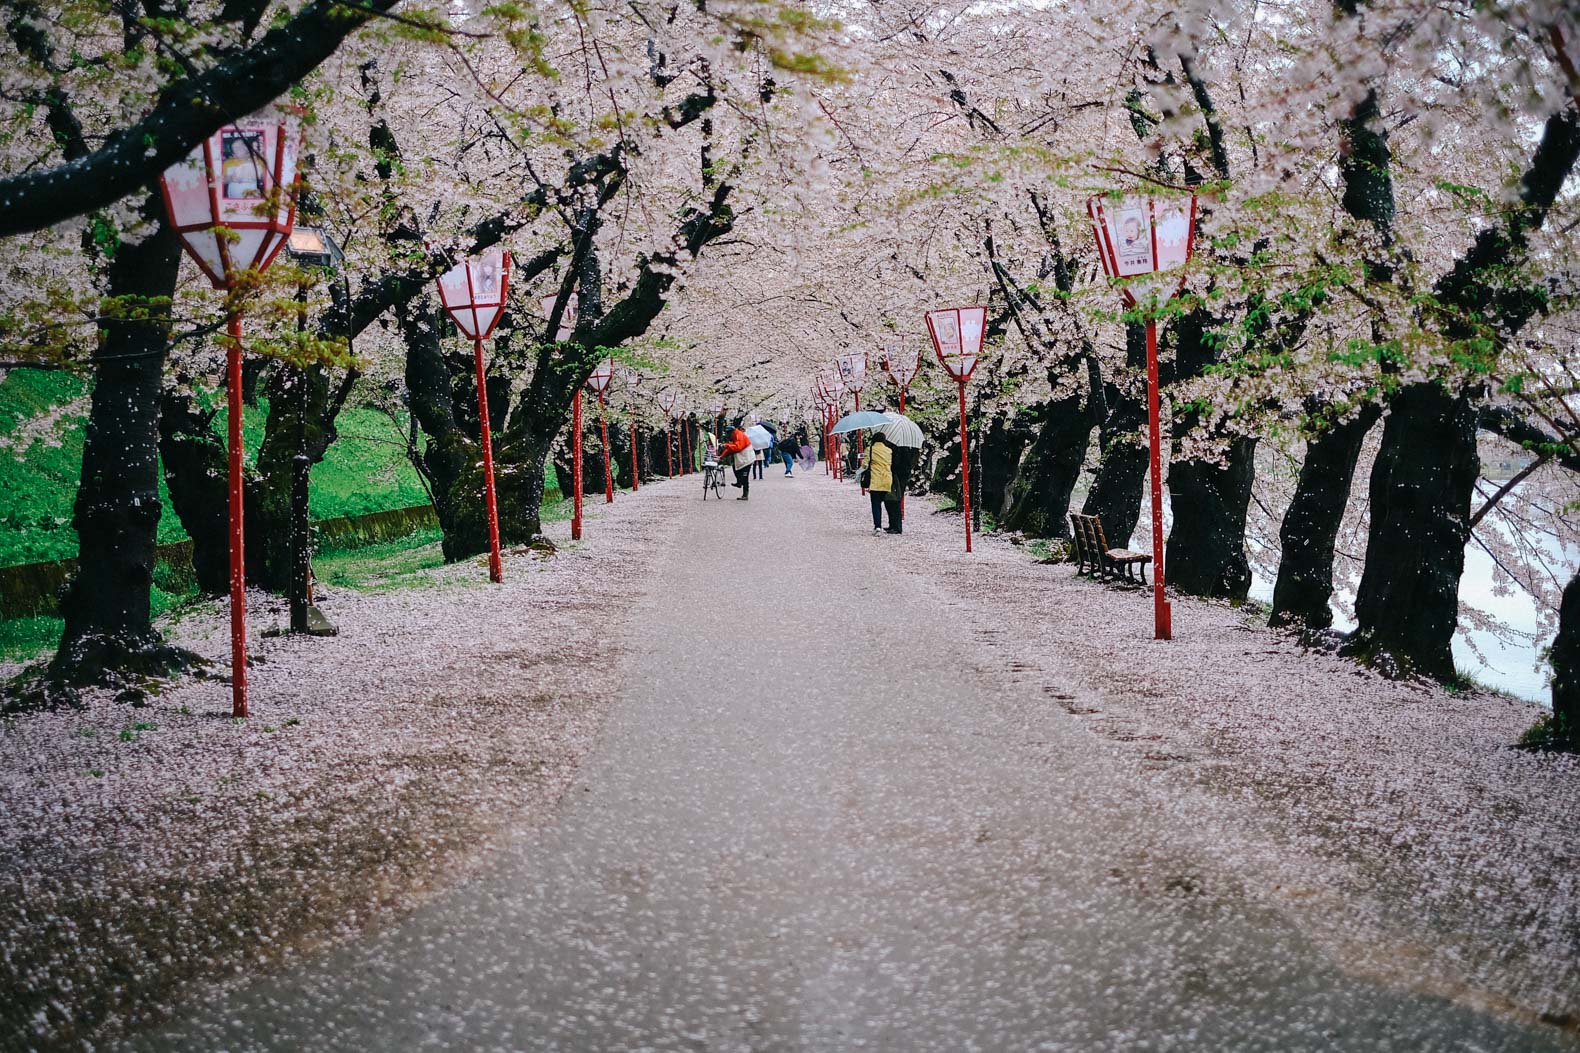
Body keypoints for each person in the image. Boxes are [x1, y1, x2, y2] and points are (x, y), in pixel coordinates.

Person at [862, 433, 895, 534]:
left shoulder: (870, 449)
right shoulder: (889, 450)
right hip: (887, 479)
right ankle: (893, 524)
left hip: (875, 480)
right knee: (888, 503)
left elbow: (864, 464)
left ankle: (878, 526)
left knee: (876, 505)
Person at [883, 433, 915, 534]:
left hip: (898, 476)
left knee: (894, 500)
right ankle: (893, 525)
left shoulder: (900, 449)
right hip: (901, 475)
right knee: (893, 499)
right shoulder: (906, 448)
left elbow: (896, 463)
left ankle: (896, 526)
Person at [717, 418, 755, 501]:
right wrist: (722, 456)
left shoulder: (739, 435)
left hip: (747, 458)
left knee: (745, 476)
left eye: (727, 434)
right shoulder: (735, 436)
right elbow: (730, 448)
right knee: (735, 468)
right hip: (742, 458)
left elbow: (738, 447)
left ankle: (745, 494)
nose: (727, 436)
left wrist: (726, 445)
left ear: (731, 432)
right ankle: (739, 482)